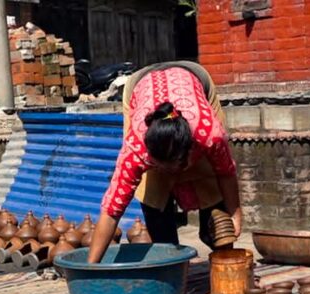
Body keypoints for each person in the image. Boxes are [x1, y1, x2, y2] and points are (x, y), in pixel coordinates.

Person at [86, 61, 242, 263]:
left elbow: (226, 172)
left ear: (188, 151)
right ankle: (170, 256)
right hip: (138, 85)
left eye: (177, 166)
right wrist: (91, 266)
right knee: (152, 194)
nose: (172, 174)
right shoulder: (136, 149)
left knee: (212, 195)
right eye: (162, 166)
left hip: (194, 77)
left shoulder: (209, 134)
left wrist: (235, 216)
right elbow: (112, 210)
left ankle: (212, 238)